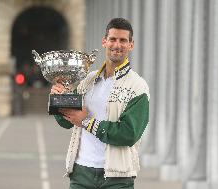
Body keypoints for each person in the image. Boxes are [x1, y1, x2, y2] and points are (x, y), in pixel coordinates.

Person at [51, 17, 150, 189]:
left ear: (130, 45)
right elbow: (66, 122)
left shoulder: (138, 86)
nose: (117, 45)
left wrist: (86, 122)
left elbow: (129, 134)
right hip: (81, 172)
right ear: (104, 41)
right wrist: (58, 98)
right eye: (112, 39)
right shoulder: (87, 81)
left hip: (117, 178)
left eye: (123, 40)